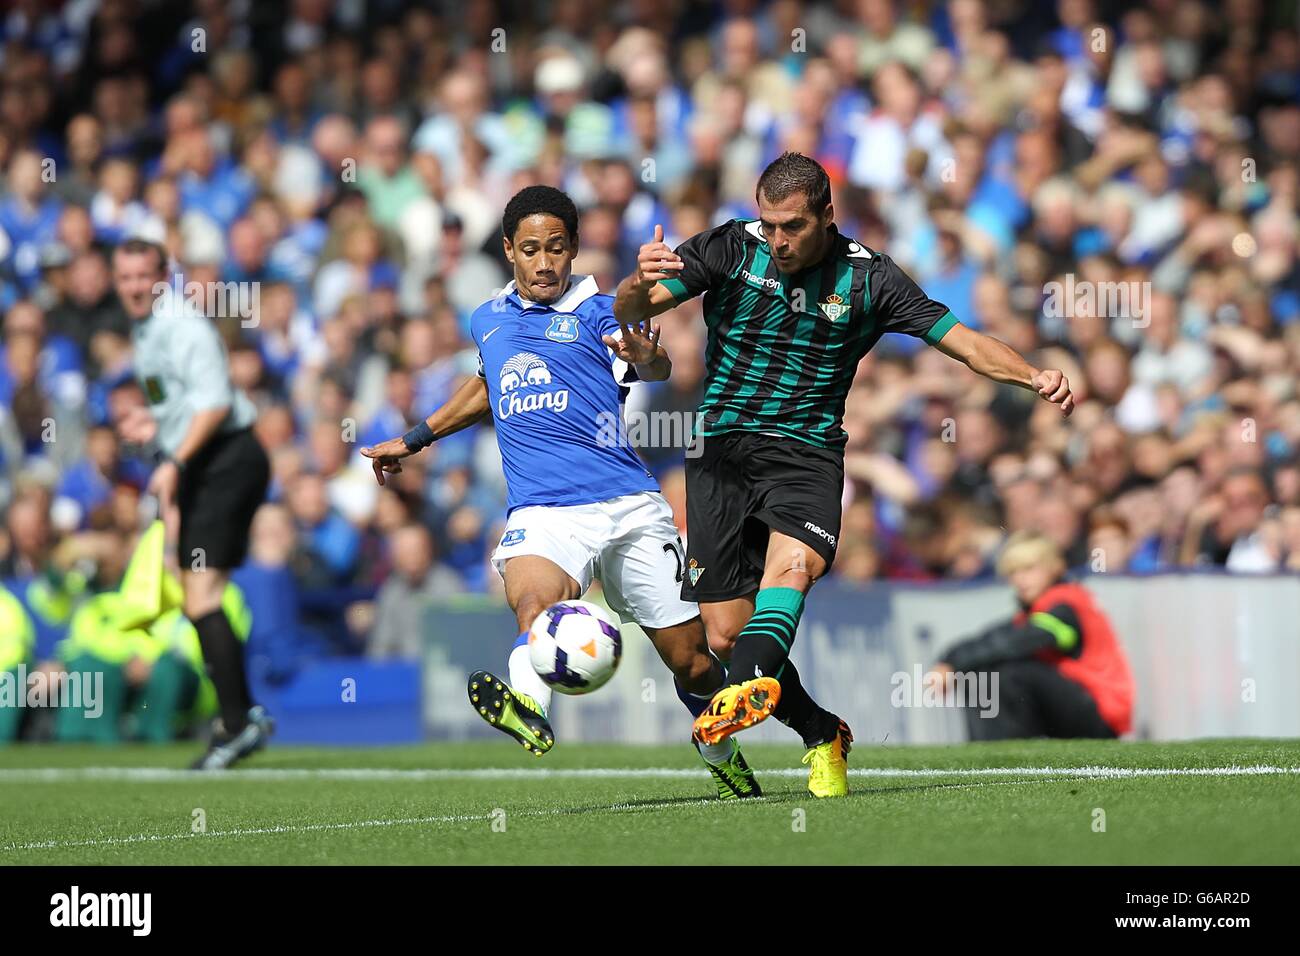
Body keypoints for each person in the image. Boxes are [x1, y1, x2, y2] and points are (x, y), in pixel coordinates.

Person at [613, 152, 1076, 795]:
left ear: (828, 216)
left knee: (792, 569)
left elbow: (964, 342)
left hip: (806, 454)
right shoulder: (728, 246)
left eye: (793, 227)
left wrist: (1033, 375)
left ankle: (743, 689)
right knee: (723, 633)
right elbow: (634, 307)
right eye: (769, 224)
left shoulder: (871, 280)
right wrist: (638, 284)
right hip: (718, 453)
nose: (777, 240)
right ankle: (821, 732)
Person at [361, 186, 760, 799]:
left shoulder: (601, 311)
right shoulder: (488, 319)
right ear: (508, 252)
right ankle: (528, 705)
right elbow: (485, 387)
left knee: (693, 661)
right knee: (534, 604)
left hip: (627, 505)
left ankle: (717, 745)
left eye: (555, 248)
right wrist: (415, 438)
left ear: (572, 250)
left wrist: (648, 356)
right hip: (544, 511)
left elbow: (654, 367)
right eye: (530, 250)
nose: (544, 262)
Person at [111, 238, 272, 769]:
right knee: (195, 594)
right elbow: (185, 405)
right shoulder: (150, 329)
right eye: (126, 276)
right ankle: (241, 717)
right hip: (207, 463)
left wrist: (174, 461)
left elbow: (216, 403)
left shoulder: (181, 325)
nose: (134, 286)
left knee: (201, 595)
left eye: (143, 276)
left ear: (164, 275)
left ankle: (238, 721)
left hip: (226, 460)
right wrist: (154, 424)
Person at [926, 531, 1135, 739]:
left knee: (1008, 672)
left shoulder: (1066, 605)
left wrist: (953, 664)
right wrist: (950, 661)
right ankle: (986, 757)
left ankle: (1006, 754)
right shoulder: (1036, 611)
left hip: (1098, 713)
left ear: (1055, 567)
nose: (1020, 579)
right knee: (982, 670)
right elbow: (999, 637)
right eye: (1013, 572)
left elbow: (1020, 641)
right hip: (1076, 707)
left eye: (1029, 569)